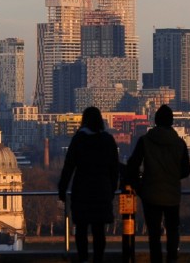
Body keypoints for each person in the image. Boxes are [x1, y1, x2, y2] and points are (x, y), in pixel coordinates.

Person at [126, 104, 190, 263]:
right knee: (173, 231)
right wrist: (173, 176)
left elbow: (132, 166)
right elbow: (186, 170)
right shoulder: (179, 144)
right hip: (172, 194)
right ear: (171, 121)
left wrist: (139, 186)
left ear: (155, 121)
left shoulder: (145, 141)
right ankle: (172, 258)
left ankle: (156, 260)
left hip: (151, 193)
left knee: (154, 234)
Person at [58, 106, 119, 263]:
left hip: (82, 190)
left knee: (81, 229)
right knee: (99, 231)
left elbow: (69, 166)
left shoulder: (79, 139)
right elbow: (114, 168)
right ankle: (98, 259)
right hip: (102, 190)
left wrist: (62, 188)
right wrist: (112, 189)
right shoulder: (108, 140)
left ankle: (83, 259)